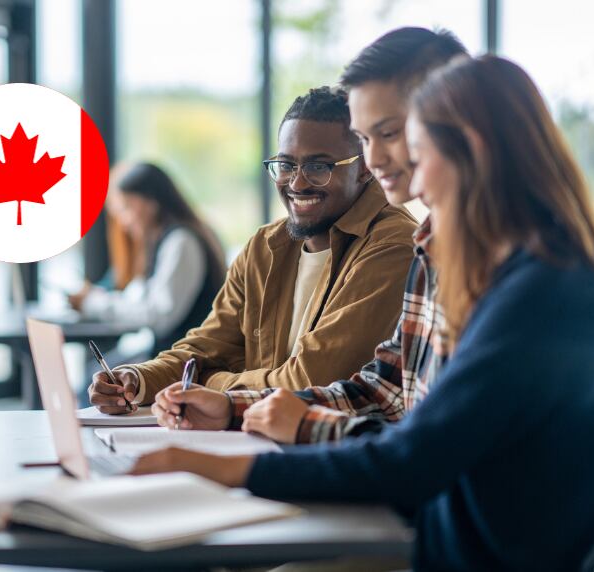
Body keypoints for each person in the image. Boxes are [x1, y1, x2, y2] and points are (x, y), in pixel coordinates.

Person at [132, 55, 594, 571]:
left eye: (414, 149)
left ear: (470, 151)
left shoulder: (542, 293)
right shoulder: (506, 269)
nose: (404, 174)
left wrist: (234, 470)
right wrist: (237, 410)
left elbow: (414, 461)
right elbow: (391, 399)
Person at [153, 28, 469, 442]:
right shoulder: (434, 249)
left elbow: (427, 448)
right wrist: (231, 406)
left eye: (390, 133)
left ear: (454, 124)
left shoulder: (484, 261)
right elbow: (383, 392)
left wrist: (223, 395)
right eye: (367, 138)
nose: (375, 159)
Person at [89, 86, 418, 413]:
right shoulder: (266, 246)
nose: (297, 183)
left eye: (319, 167)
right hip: (254, 438)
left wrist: (211, 384)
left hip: (334, 450)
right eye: (287, 165)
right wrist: (135, 379)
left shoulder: (392, 246)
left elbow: (309, 382)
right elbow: (204, 347)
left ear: (363, 167)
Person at [69, 162, 226, 357]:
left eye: (127, 208)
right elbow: (140, 299)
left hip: (185, 363)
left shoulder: (181, 242)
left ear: (151, 203)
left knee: (96, 381)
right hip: (172, 358)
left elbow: (159, 315)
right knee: (99, 376)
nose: (124, 222)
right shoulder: (162, 242)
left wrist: (94, 303)